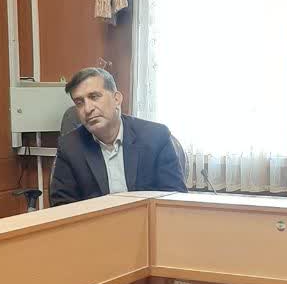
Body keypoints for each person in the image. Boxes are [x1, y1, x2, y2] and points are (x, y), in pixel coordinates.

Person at [49, 67, 187, 206]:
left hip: (146, 218)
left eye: (94, 97)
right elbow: (62, 206)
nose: (87, 109)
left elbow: (175, 200)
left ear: (116, 99)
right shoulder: (70, 147)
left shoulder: (155, 137)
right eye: (79, 103)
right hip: (96, 219)